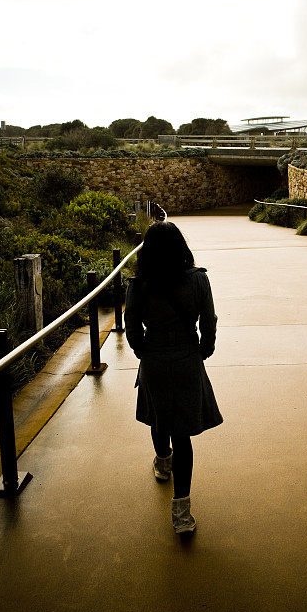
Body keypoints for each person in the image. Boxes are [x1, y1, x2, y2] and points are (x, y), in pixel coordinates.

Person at [124, 221, 223, 534]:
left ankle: (162, 462)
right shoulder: (198, 280)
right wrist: (203, 350)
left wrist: (145, 352)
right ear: (181, 246)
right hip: (186, 359)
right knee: (183, 435)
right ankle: (181, 514)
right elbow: (209, 321)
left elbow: (131, 326)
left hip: (154, 359)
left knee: (159, 418)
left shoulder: (139, 284)